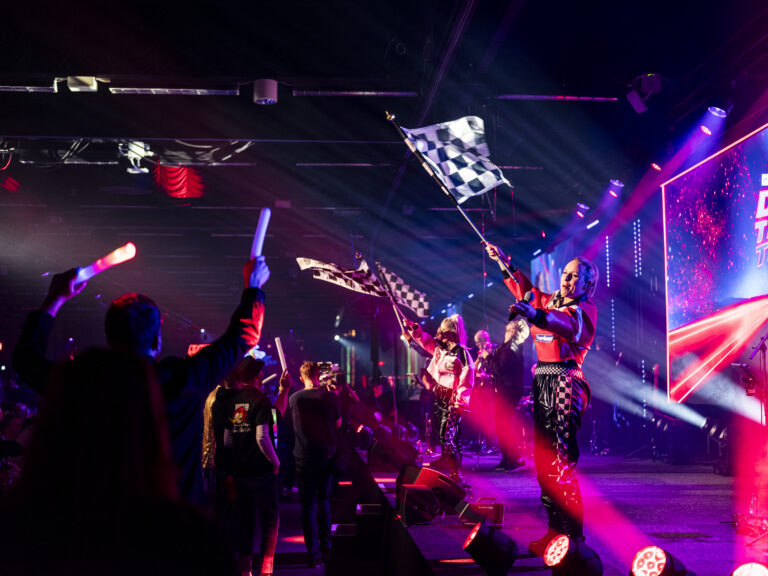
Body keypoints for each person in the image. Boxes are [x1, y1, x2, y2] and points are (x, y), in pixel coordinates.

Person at [13, 256, 270, 505]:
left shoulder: (82, 380)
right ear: (157, 341)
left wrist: (54, 299)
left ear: (110, 336)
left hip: (101, 532)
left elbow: (25, 359)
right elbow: (243, 335)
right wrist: (253, 287)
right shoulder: (183, 379)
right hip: (172, 530)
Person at [0, 347, 234, 576]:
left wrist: (51, 306)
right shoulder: (189, 538)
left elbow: (25, 359)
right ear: (153, 422)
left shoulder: (21, 526)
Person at [486, 242, 597, 554]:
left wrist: (534, 313)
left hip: (566, 382)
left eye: (576, 277)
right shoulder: (547, 301)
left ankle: (575, 541)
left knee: (560, 464)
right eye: (566, 274)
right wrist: (502, 260)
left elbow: (564, 324)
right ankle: (554, 533)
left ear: (588, 283)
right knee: (543, 463)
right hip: (543, 381)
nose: (568, 280)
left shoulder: (584, 311)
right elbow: (523, 287)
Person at [211, 356, 289, 576]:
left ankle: (245, 569)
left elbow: (227, 439)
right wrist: (276, 462)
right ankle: (266, 569)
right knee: (270, 519)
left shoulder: (236, 402)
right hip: (261, 472)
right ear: (258, 376)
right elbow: (262, 437)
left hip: (240, 473)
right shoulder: (260, 400)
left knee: (246, 520)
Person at [406, 314, 474, 485]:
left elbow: (467, 380)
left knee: (447, 436)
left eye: (444, 331)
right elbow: (425, 341)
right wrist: (415, 330)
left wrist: (460, 402)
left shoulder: (462, 353)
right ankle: (453, 469)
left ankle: (456, 472)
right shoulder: (439, 350)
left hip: (452, 398)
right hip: (439, 396)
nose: (440, 334)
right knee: (444, 435)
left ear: (452, 333)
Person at [289, 361, 341, 567]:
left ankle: (313, 554)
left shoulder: (294, 398)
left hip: (303, 456)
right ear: (319, 376)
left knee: (307, 506)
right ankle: (326, 548)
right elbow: (337, 424)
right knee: (324, 501)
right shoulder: (330, 397)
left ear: (302, 378)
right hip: (325, 456)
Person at [488, 319, 530, 471]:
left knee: (504, 425)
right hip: (505, 389)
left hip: (509, 390)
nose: (505, 331)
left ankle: (513, 459)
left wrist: (487, 357)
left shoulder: (512, 346)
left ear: (513, 331)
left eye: (508, 330)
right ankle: (508, 459)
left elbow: (499, 367)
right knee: (502, 425)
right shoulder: (508, 346)